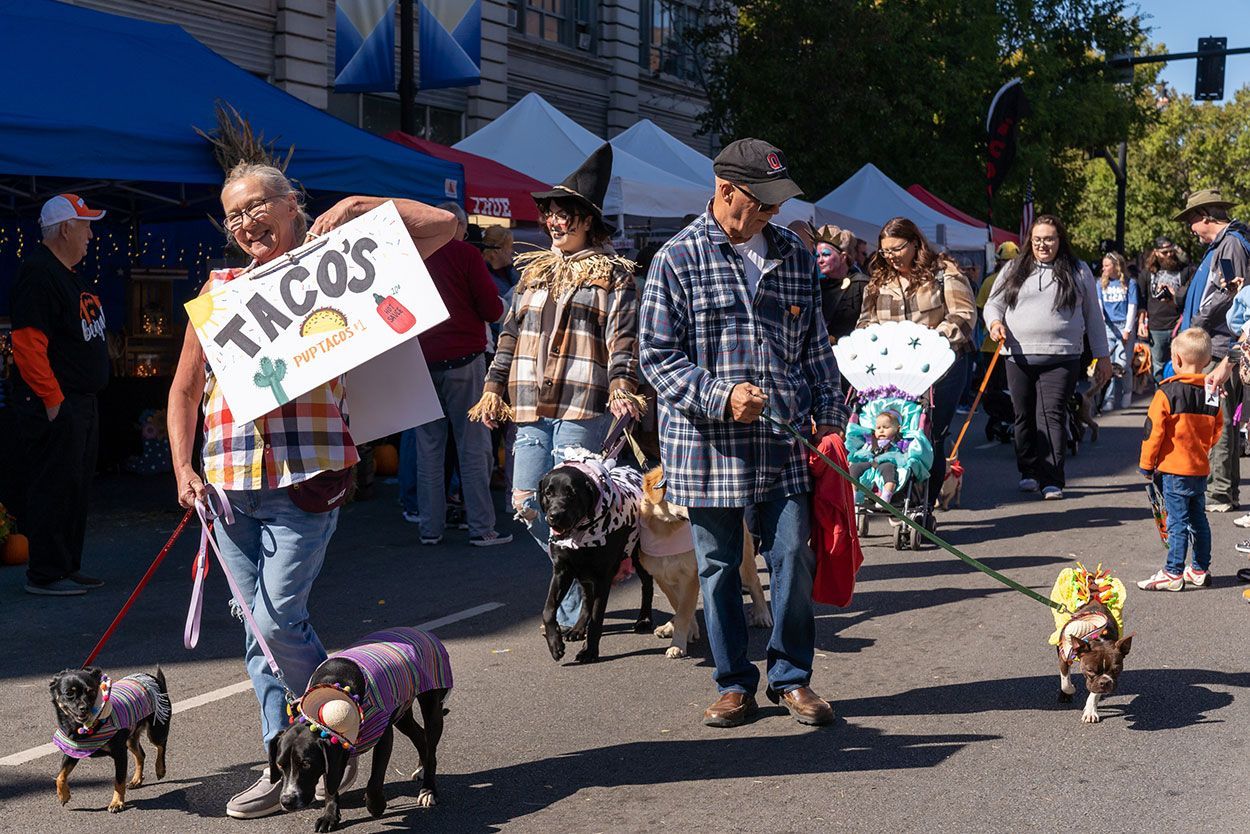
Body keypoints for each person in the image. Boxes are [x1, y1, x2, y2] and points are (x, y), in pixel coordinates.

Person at [167, 157, 457, 819]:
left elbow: (447, 225)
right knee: (258, 631)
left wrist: (359, 205)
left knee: (273, 620)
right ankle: (287, 766)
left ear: (292, 203)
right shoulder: (219, 289)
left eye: (255, 206)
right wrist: (183, 469)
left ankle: (348, 719)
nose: (244, 222)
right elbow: (184, 391)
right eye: (233, 213)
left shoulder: (336, 264)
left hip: (307, 480)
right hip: (227, 487)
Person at [640, 137, 847, 729]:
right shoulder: (676, 259)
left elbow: (815, 350)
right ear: (724, 190)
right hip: (707, 448)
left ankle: (792, 678)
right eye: (762, 203)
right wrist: (721, 395)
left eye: (778, 203)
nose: (773, 214)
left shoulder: (795, 256)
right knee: (719, 566)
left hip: (783, 443)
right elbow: (656, 357)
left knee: (790, 556)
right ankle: (734, 682)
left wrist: (830, 420)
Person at [469, 144, 641, 631]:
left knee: (575, 501)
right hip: (527, 402)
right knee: (526, 503)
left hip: (582, 400)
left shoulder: (614, 276)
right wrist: (492, 387)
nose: (555, 223)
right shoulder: (532, 274)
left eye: (565, 215)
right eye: (550, 215)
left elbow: (623, 338)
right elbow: (508, 335)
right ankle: (592, 574)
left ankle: (574, 609)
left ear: (588, 220)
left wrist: (623, 384)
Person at [10, 194, 109, 596]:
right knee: (54, 485)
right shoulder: (39, 272)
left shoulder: (68, 273)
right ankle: (46, 573)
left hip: (81, 399)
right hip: (58, 400)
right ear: (65, 228)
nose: (90, 235)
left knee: (75, 485)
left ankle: (66, 565)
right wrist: (53, 400)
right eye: (85, 225)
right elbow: (27, 343)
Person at [984, 214, 1111, 500]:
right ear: (1030, 240)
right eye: (1038, 239)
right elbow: (994, 303)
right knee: (1023, 415)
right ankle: (1029, 471)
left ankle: (1052, 478)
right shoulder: (1014, 269)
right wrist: (994, 323)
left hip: (1062, 356)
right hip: (1018, 356)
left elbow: (1093, 317)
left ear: (1060, 240)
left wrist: (1103, 357)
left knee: (1051, 415)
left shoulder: (1078, 271)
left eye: (1050, 239)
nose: (1044, 245)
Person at [856, 217, 976, 506]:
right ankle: (893, 492)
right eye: (885, 251)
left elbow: (964, 315)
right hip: (893, 372)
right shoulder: (878, 281)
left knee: (930, 435)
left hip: (941, 368)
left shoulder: (944, 272)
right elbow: (865, 322)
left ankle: (926, 503)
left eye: (897, 249)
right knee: (892, 431)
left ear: (914, 243)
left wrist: (932, 344)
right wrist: (866, 344)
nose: (891, 257)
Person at [414, 203, 509, 546]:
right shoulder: (466, 255)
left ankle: (430, 529)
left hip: (421, 363)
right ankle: (481, 528)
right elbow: (492, 309)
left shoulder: (412, 255)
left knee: (429, 450)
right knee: (473, 447)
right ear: (457, 225)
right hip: (464, 360)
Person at [1173, 188, 1250, 513]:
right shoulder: (1222, 245)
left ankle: (1219, 491)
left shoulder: (1230, 244)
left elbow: (1233, 293)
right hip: (1215, 342)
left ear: (1205, 216)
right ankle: (1222, 489)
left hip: (1218, 346)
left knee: (1213, 418)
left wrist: (1198, 323)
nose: (1190, 227)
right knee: (1218, 418)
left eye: (1191, 219)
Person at [1137, 327, 1221, 591]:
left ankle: (1173, 571)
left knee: (1176, 522)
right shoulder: (1212, 393)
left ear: (1176, 360)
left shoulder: (1167, 393)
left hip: (1173, 468)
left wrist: (1146, 465)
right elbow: (1217, 430)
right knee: (1198, 520)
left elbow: (1153, 432)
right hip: (1198, 467)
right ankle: (1199, 568)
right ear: (1207, 361)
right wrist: (1202, 448)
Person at [481, 225, 520, 491]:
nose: (512, 253)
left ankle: (501, 470)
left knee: (507, 420)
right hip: (493, 352)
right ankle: (493, 467)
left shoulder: (512, 273)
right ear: (498, 250)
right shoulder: (486, 275)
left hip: (512, 351)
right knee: (492, 419)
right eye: (509, 248)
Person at [976, 242, 1020, 442]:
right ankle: (1000, 422)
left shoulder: (990, 281)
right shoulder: (1016, 281)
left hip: (1003, 346)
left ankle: (998, 421)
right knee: (1004, 389)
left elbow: (979, 310)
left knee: (997, 390)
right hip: (998, 347)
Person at [1142, 236, 1193, 380]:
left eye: (1171, 251)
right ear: (1156, 252)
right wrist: (1141, 322)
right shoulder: (1148, 272)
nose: (1169, 255)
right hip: (1157, 326)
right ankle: (1161, 395)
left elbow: (1188, 296)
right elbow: (1142, 299)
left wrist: (1173, 293)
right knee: (1158, 366)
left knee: (1182, 363)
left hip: (1178, 323)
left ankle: (1178, 396)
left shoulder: (1184, 270)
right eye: (1165, 252)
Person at [1096, 251, 1139, 412]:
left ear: (1116, 266)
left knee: (1122, 364)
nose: (1103, 268)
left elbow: (1132, 306)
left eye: (1106, 265)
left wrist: (1127, 329)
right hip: (1107, 327)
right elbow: (1099, 306)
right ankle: (1109, 398)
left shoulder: (1130, 283)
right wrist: (1100, 326)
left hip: (1123, 326)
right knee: (1108, 365)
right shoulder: (1100, 283)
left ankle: (1127, 393)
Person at [815, 225, 867, 344]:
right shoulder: (818, 287)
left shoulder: (861, 284)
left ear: (843, 257)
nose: (820, 260)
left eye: (826, 254)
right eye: (818, 256)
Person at [848, 410, 907, 502]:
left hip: (885, 464)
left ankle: (886, 495)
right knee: (854, 468)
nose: (881, 430)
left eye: (886, 427)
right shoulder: (870, 441)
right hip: (869, 463)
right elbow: (861, 451)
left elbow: (900, 457)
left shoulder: (898, 443)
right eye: (878, 428)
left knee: (888, 468)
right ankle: (854, 492)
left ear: (897, 429)